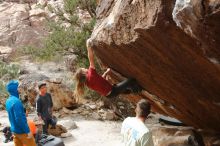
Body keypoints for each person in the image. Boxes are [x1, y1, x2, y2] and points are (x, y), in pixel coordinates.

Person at [74, 38, 142, 98]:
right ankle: (139, 90)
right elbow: (91, 58)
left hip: (109, 94)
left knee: (127, 91)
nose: (86, 69)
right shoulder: (91, 74)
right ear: (83, 73)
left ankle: (132, 89)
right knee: (131, 81)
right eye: (84, 69)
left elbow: (100, 81)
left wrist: (106, 72)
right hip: (113, 90)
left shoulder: (88, 83)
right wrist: (88, 46)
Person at [5, 80, 37, 146]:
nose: (20, 88)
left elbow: (12, 116)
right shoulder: (16, 102)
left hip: (14, 131)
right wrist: (28, 131)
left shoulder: (8, 101)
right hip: (22, 132)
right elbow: (19, 119)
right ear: (15, 89)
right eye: (19, 87)